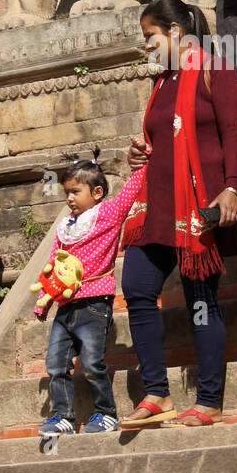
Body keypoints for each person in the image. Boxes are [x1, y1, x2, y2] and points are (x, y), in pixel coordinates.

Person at [118, 0, 237, 429]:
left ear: (175, 32)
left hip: (199, 206)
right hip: (156, 205)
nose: (148, 47)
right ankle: (156, 393)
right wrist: (142, 154)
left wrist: (231, 187)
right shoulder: (162, 83)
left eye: (151, 38)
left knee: (201, 302)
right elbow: (163, 140)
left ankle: (209, 400)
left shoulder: (216, 71)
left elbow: (233, 133)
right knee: (136, 286)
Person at [37, 158, 146, 435]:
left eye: (76, 192)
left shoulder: (108, 214)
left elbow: (131, 191)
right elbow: (55, 266)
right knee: (55, 363)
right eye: (66, 193)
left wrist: (145, 163)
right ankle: (63, 416)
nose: (70, 198)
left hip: (95, 304)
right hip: (65, 306)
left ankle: (106, 413)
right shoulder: (65, 228)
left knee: (91, 363)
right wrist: (45, 303)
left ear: (96, 192)